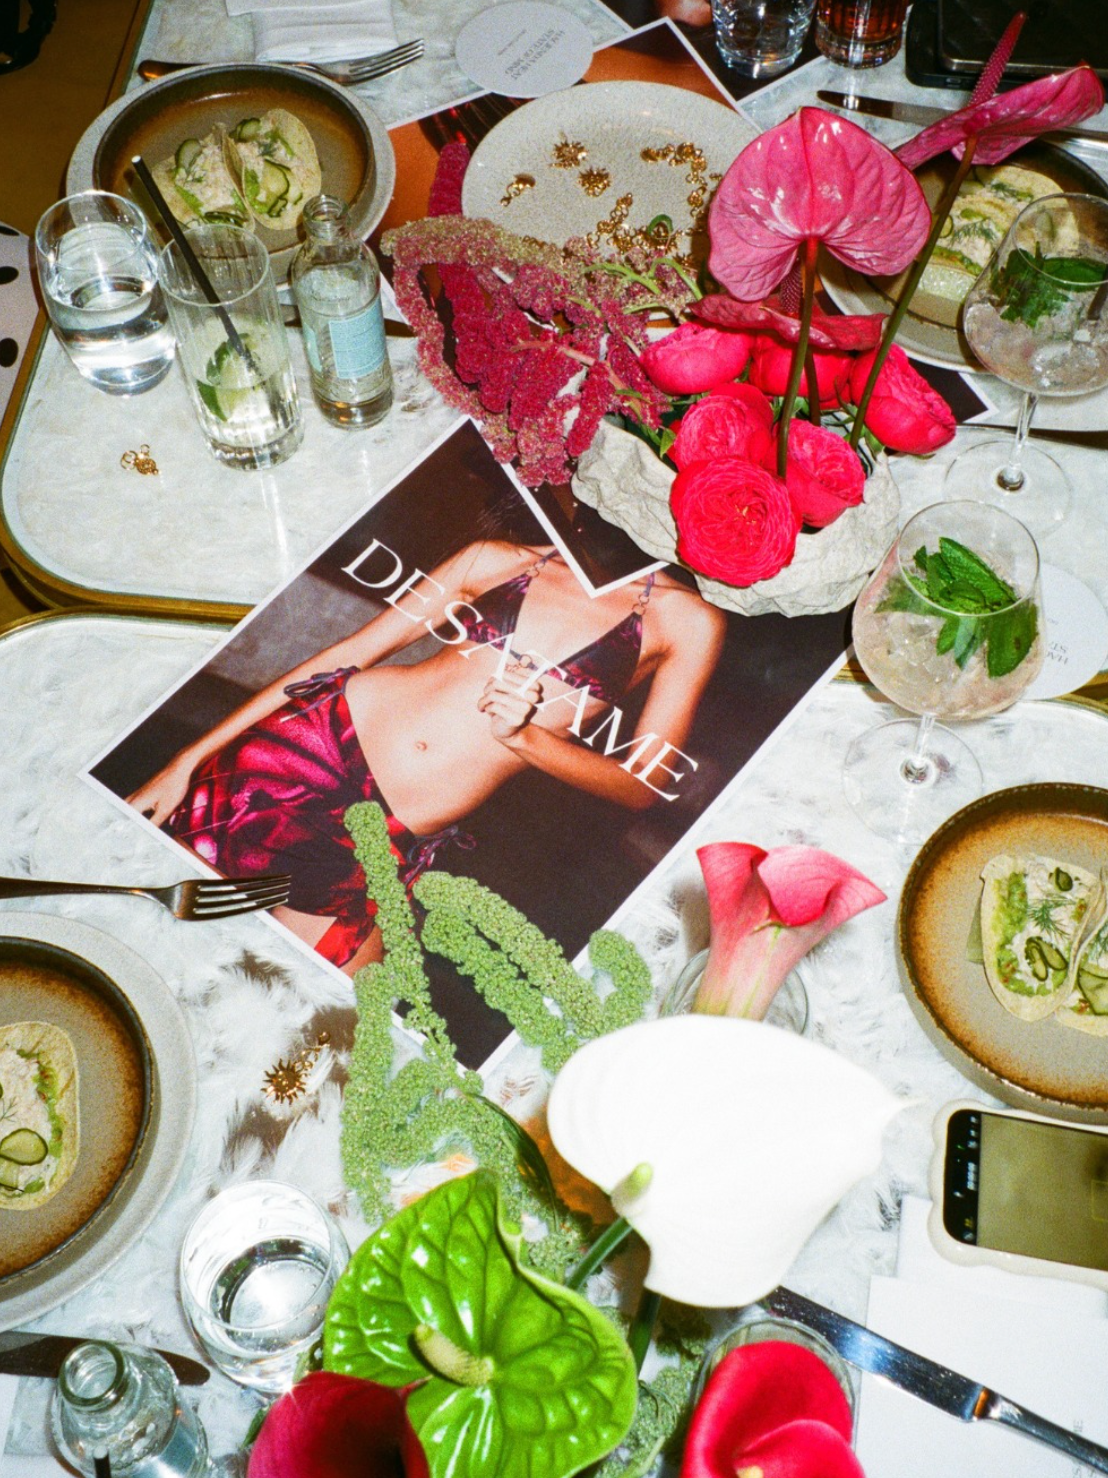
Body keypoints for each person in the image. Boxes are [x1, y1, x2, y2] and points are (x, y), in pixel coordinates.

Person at [129, 538, 726, 974]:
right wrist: (184, 760)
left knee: (302, 995)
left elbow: (643, 786)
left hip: (390, 831)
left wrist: (526, 739)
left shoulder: (688, 620)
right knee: (156, 918)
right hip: (304, 746)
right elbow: (352, 652)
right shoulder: (496, 558)